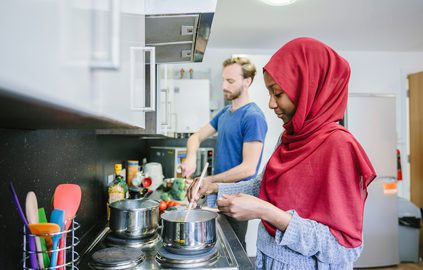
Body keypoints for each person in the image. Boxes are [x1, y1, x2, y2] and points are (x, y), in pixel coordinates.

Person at [187, 37, 376, 269]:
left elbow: (343, 250)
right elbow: (264, 186)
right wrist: (214, 187)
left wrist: (266, 212)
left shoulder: (340, 147)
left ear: (308, 89)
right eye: (269, 93)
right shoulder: (289, 138)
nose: (271, 104)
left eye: (278, 94)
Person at [181, 56, 268, 249]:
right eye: (223, 80)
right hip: (217, 193)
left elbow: (248, 169)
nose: (223, 86)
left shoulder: (253, 117)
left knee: (234, 246)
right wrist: (191, 157)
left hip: (237, 197)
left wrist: (210, 181)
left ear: (247, 81)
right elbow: (195, 137)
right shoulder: (225, 112)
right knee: (217, 245)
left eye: (230, 81)